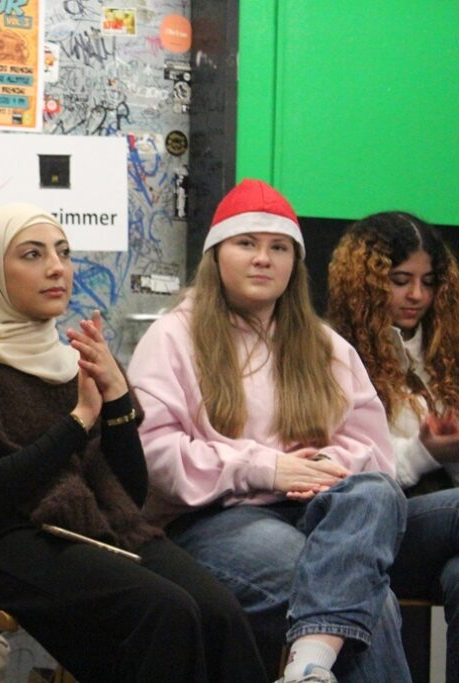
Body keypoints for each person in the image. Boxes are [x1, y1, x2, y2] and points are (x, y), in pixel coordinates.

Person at [0, 202, 267, 682]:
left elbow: (129, 495)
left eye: (63, 252)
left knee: (219, 611)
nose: (56, 267)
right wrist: (78, 421)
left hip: (98, 525)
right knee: (164, 611)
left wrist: (117, 400)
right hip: (8, 540)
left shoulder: (74, 358)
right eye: (33, 255)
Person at [127, 179, 410, 683]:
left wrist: (325, 467)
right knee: (372, 600)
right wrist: (267, 468)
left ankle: (308, 666)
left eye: (279, 247)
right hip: (213, 519)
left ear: (294, 263)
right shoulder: (172, 337)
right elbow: (154, 455)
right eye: (247, 243)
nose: (263, 259)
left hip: (324, 511)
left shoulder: (324, 344)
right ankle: (309, 666)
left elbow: (374, 449)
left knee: (379, 491)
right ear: (216, 255)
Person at [328, 211, 459, 682]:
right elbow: (353, 478)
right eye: (400, 281)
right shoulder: (332, 353)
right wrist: (428, 454)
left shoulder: (446, 354)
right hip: (374, 534)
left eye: (428, 282)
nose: (417, 295)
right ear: (365, 283)